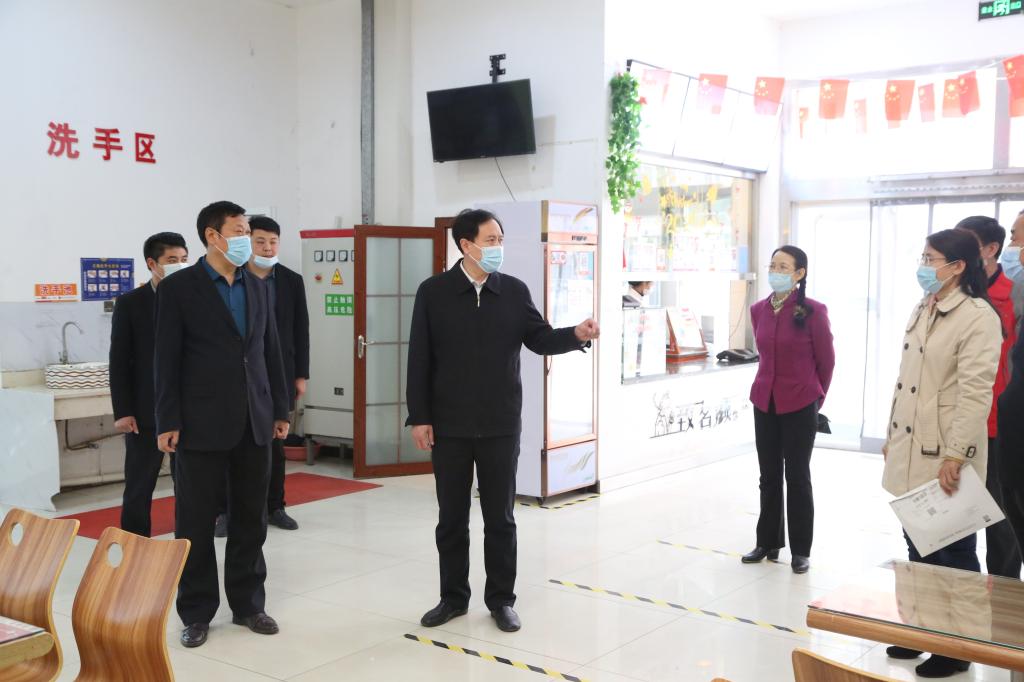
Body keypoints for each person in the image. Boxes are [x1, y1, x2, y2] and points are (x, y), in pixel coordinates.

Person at [407, 208, 600, 634]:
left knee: (500, 519)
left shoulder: (513, 290)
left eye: (500, 240)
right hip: (449, 425)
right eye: (490, 240)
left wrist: (575, 335)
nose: (498, 248)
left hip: (500, 423)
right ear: (466, 245)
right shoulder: (434, 292)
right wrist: (419, 417)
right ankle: (452, 598)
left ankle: (501, 600)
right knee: (451, 518)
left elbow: (539, 337)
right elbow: (419, 357)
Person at [154, 201, 290, 649]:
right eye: (239, 231)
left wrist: (281, 409)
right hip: (200, 424)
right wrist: (168, 419)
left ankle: (249, 605)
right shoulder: (179, 289)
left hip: (255, 419)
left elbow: (270, 351)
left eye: (247, 231)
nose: (246, 239)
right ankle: (196, 612)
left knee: (251, 519)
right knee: (194, 522)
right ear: (213, 236)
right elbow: (166, 358)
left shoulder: (258, 286)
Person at [882, 228, 1002, 678]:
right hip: (911, 445)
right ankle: (921, 630)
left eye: (930, 259)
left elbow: (975, 393)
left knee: (952, 554)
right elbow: (906, 380)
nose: (923, 266)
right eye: (923, 257)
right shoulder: (925, 306)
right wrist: (891, 434)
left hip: (945, 454)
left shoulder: (977, 316)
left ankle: (958, 645)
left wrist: (956, 454)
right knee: (917, 545)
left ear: (958, 266)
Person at [742, 245, 834, 575]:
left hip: (800, 402)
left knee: (797, 476)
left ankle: (801, 550)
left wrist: (816, 399)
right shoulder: (758, 310)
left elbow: (826, 361)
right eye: (773, 265)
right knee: (768, 476)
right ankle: (767, 542)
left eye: (783, 267)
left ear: (799, 273)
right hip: (764, 400)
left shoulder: (813, 311)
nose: (776, 272)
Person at [214, 216, 309, 536]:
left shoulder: (291, 280)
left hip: (278, 375)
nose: (267, 247)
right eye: (259, 241)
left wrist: (301, 375)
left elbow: (301, 329)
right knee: (231, 445)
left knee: (275, 447)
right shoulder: (233, 278)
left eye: (273, 241)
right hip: (240, 376)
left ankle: (275, 506)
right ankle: (225, 511)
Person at [954, 217, 1021, 579]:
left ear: (991, 249)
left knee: (1000, 517)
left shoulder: (1015, 293)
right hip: (955, 420)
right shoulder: (951, 294)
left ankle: (1003, 591)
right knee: (953, 513)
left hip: (998, 422)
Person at [109, 232, 188, 537]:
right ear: (152, 264)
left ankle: (187, 542)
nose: (179, 265)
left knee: (189, 485)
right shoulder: (131, 303)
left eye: (184, 259)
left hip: (186, 409)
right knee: (139, 484)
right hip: (145, 412)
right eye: (172, 260)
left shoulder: (194, 298)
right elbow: (119, 361)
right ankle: (134, 542)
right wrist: (123, 410)